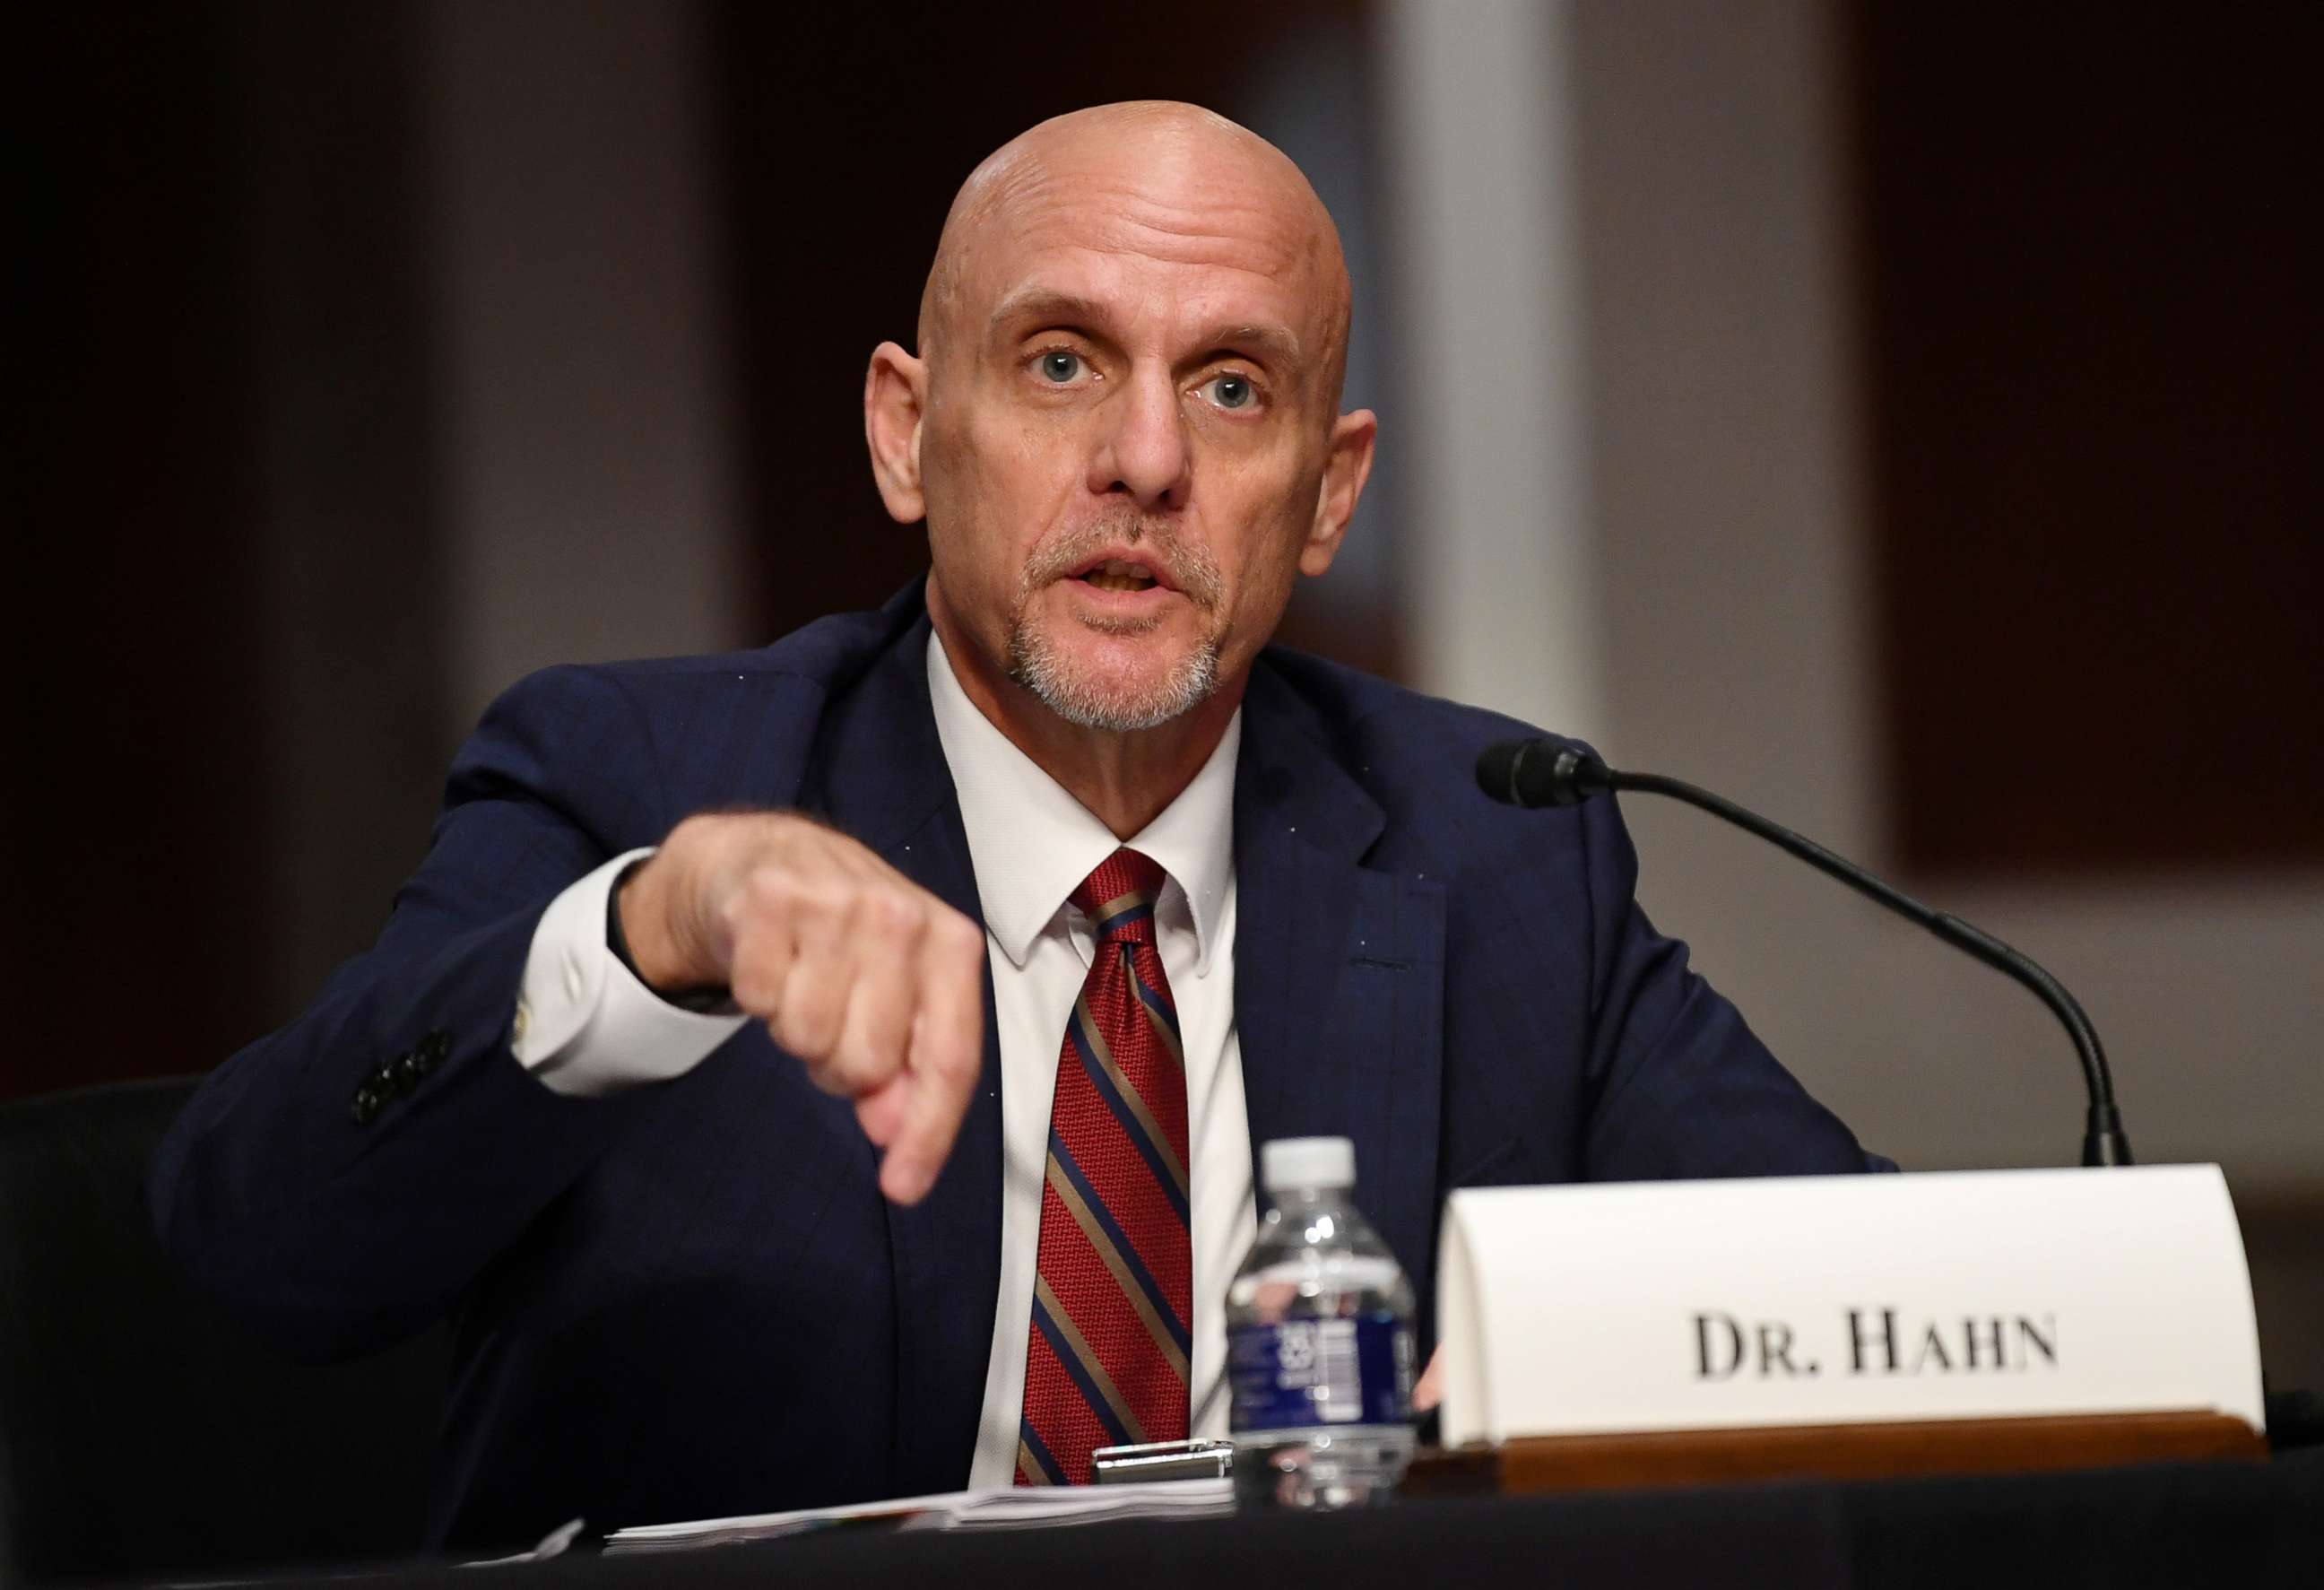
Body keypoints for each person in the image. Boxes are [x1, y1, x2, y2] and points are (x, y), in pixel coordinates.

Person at [150, 101, 1883, 1551]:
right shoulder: (642, 780)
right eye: (1061, 362)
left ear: (1332, 492)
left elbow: (1880, 1313)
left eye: (1229, 388)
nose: (1143, 458)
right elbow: (257, 1243)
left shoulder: (1498, 842)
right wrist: (658, 929)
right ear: (910, 433)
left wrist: (1586, 1353)